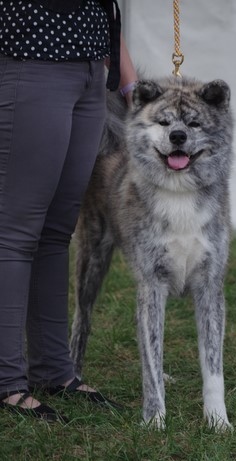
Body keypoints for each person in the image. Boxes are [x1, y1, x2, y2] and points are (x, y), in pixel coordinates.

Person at [0, 0, 137, 422]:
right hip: (33, 56)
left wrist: (129, 84)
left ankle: (54, 371)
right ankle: (7, 381)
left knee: (57, 230)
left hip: (92, 69)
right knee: (17, 231)